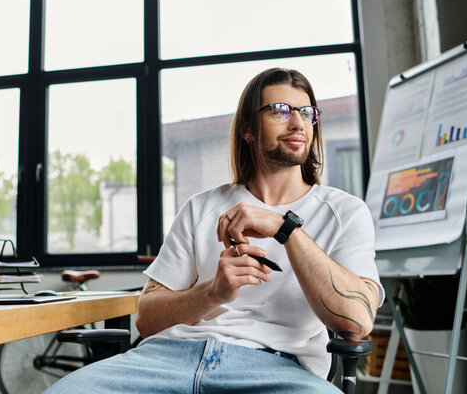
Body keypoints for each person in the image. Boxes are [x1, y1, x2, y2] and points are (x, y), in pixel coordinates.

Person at [44, 68, 382, 393]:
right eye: (280, 111)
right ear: (248, 129)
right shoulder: (201, 207)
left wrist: (284, 228)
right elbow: (146, 319)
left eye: (307, 113)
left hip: (275, 368)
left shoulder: (345, 212)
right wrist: (213, 293)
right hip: (164, 360)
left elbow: (356, 321)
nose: (297, 122)